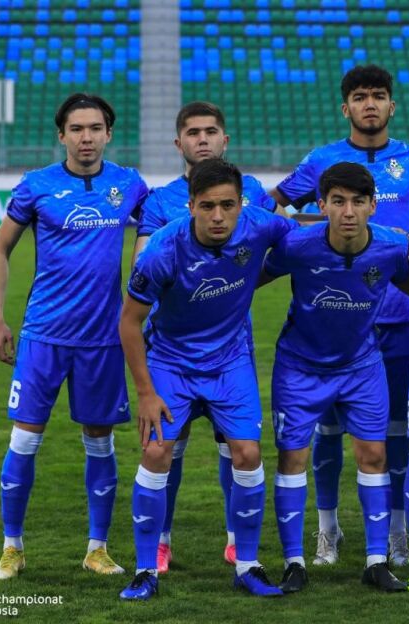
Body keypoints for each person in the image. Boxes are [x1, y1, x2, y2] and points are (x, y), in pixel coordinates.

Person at [269, 65, 409, 567]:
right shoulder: (322, 159)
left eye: (378, 96)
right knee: (326, 432)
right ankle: (328, 530)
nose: (370, 104)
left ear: (392, 106)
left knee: (393, 433)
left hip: (394, 318)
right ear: (346, 107)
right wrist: (305, 226)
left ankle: (396, 532)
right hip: (329, 323)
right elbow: (273, 204)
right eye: (360, 97)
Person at [0, 93, 148, 580]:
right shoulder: (37, 186)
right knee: (24, 440)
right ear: (61, 135)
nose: (86, 138)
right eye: (76, 129)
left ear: (109, 134)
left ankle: (97, 548)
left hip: (103, 338)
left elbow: (158, 232)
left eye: (95, 128)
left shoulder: (129, 184)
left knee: (100, 441)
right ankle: (12, 547)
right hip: (44, 335)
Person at [117, 159, 295, 600]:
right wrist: (145, 393)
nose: (219, 216)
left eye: (228, 206)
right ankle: (145, 570)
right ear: (191, 205)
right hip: (171, 363)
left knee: (248, 453)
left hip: (230, 362)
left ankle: (248, 565)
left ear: (241, 205)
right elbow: (129, 323)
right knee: (156, 452)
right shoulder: (162, 250)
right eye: (208, 206)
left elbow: (303, 240)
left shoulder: (260, 225)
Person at [261, 162, 409, 593]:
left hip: (361, 367)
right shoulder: (297, 245)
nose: (347, 211)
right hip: (299, 368)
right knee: (292, 458)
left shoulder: (391, 247)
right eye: (337, 201)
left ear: (373, 206)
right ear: (322, 204)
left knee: (374, 455)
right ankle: (294, 562)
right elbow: (252, 279)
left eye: (357, 201)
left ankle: (376, 561)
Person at [134, 101, 277, 573]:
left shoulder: (250, 191)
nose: (202, 139)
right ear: (179, 142)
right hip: (172, 344)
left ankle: (237, 540)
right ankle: (160, 541)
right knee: (166, 448)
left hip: (232, 343)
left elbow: (277, 242)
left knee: (233, 444)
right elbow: (142, 268)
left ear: (224, 139)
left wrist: (234, 283)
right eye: (193, 132)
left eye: (210, 131)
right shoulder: (161, 202)